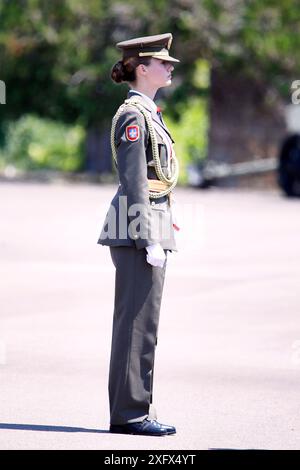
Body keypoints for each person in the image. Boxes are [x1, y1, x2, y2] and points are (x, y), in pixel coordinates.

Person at [97, 33, 180, 436]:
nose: (170, 68)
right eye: (163, 63)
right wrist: (149, 238)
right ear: (142, 68)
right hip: (135, 229)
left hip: (149, 223)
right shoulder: (134, 115)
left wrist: (164, 225)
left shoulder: (149, 111)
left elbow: (155, 179)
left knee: (144, 324)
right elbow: (133, 183)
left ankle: (134, 408)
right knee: (135, 325)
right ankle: (129, 415)